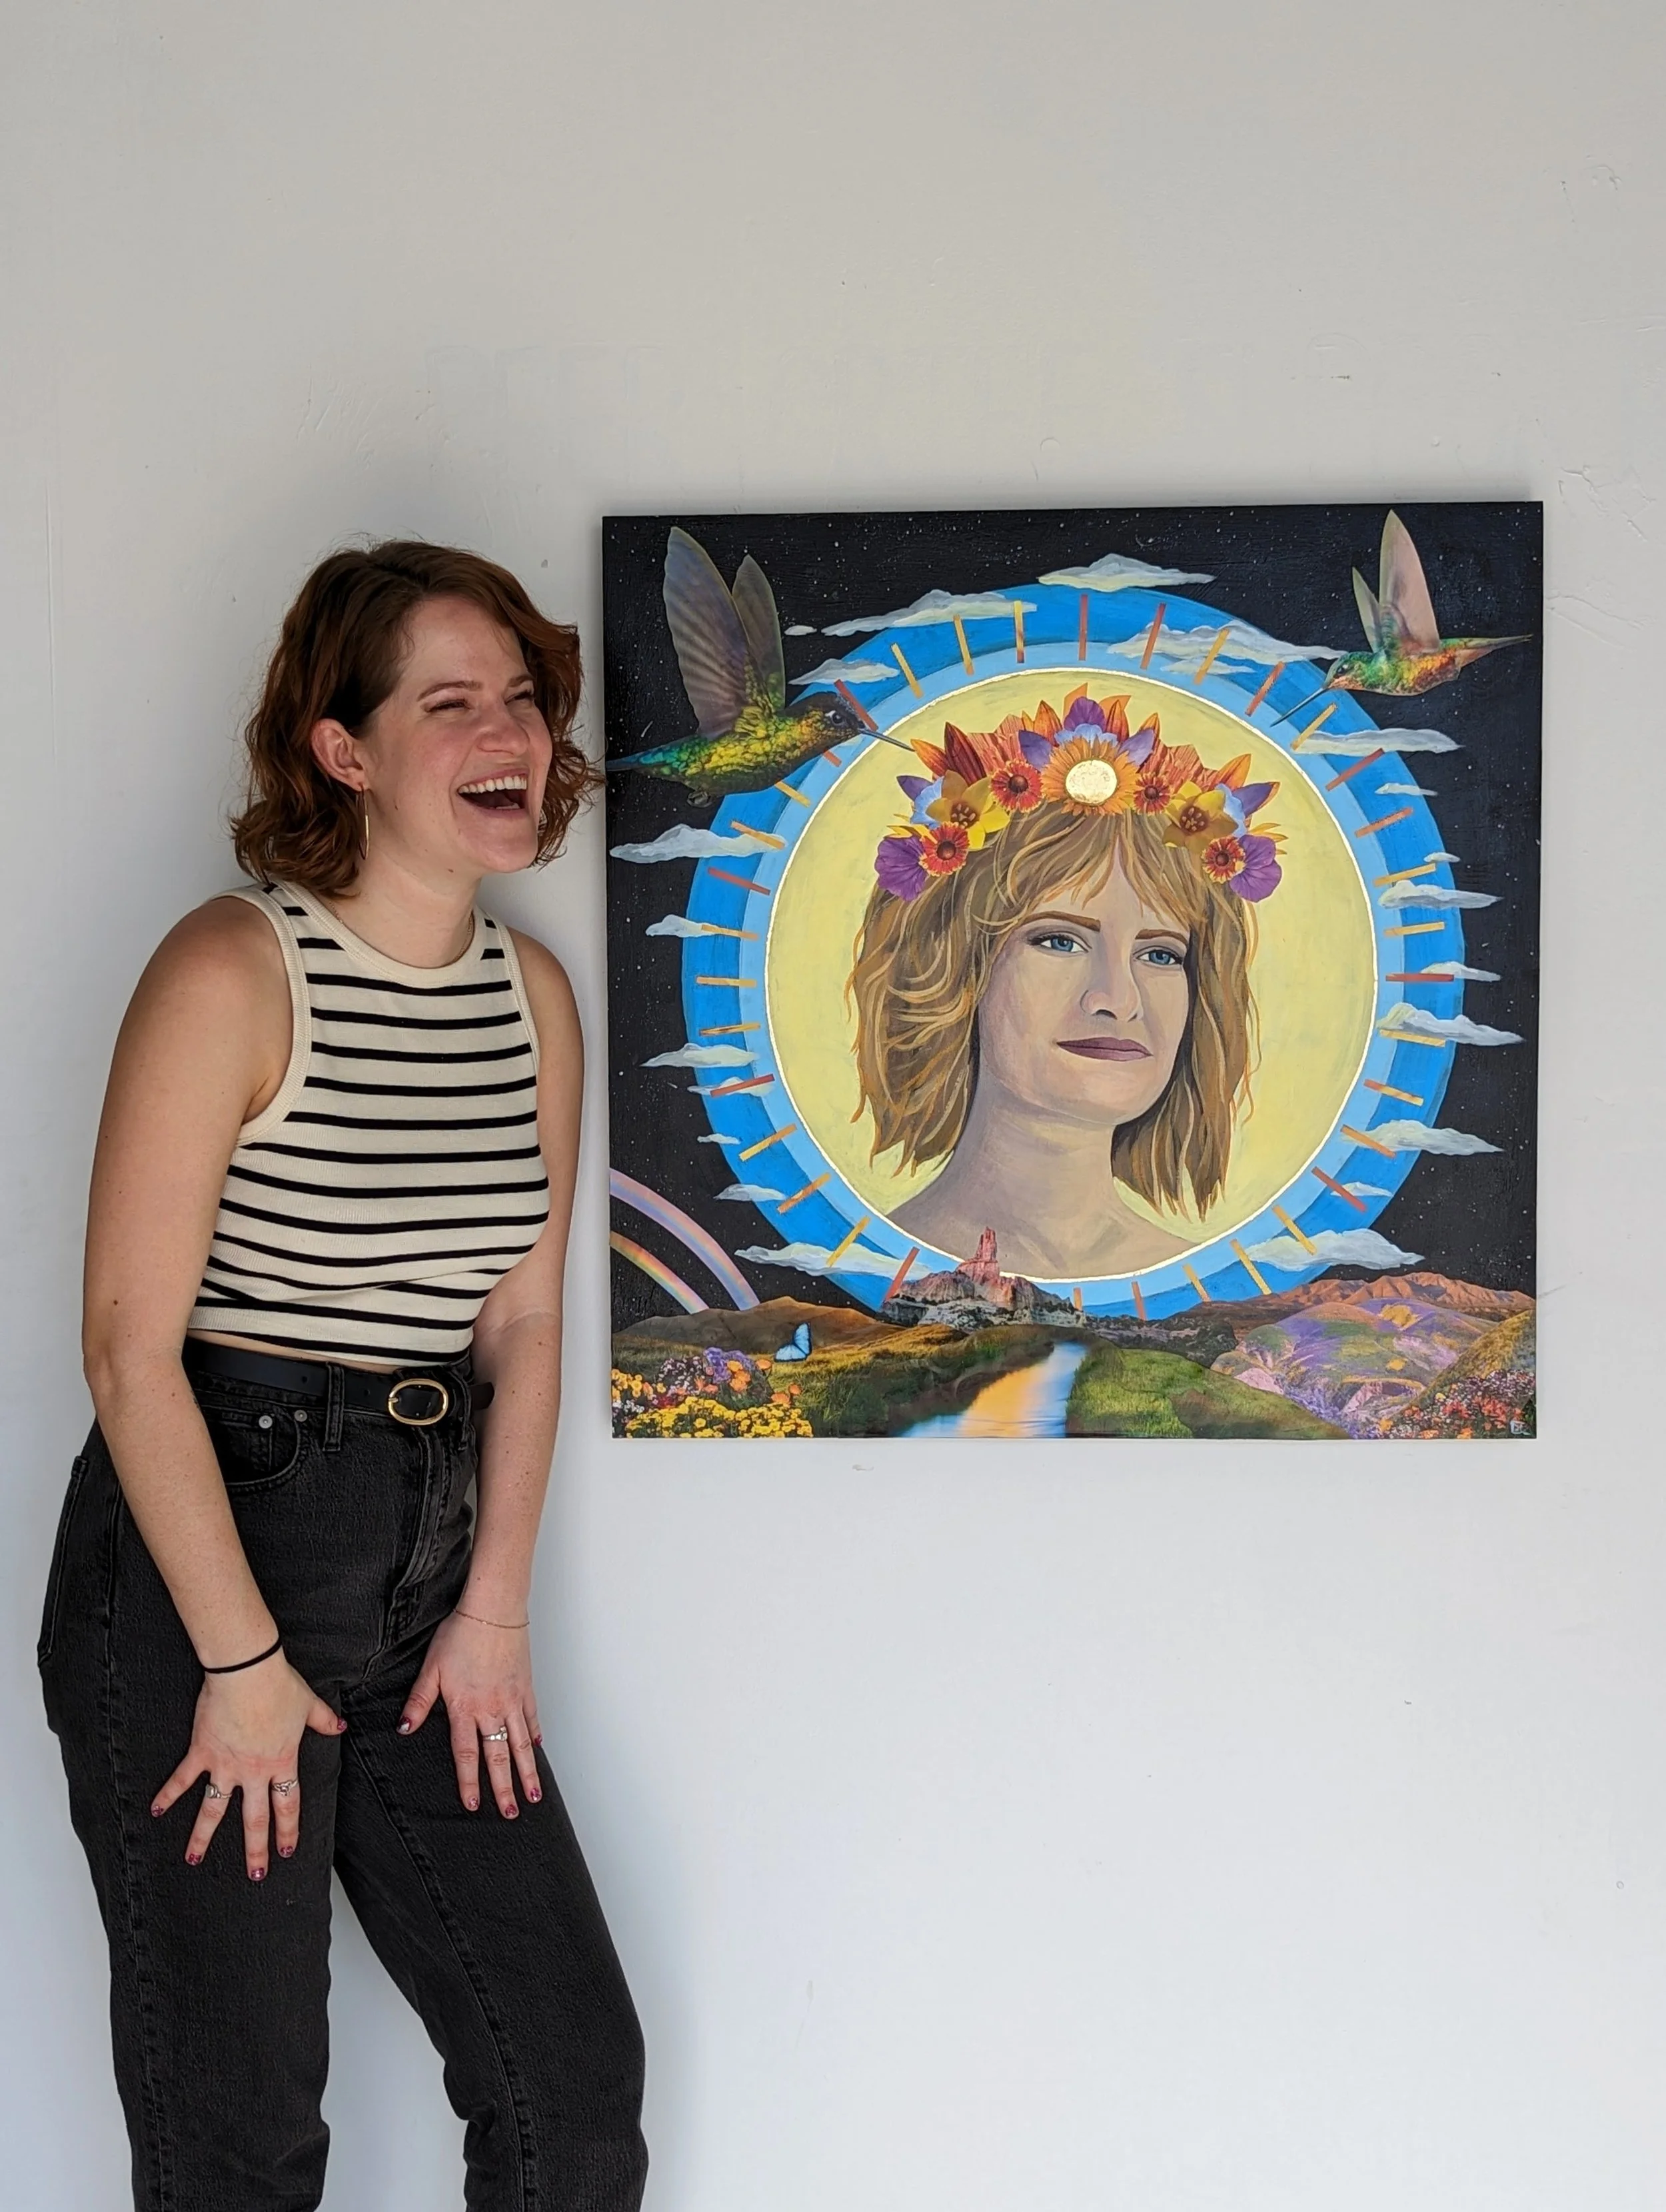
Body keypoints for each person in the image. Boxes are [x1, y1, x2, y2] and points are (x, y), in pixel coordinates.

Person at [37, 542, 649, 2211]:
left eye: (519, 695)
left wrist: (494, 1607)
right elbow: (126, 1348)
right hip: (208, 1563)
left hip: (430, 1563)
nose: (506, 731)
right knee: (241, 2135)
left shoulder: (532, 1000)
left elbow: (522, 1327)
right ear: (344, 749)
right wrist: (239, 1660)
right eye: (449, 702)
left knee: (569, 2087)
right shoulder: (235, 969)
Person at [847, 689, 1282, 1281]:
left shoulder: (1214, 1284)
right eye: (1058, 941)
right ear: (953, 967)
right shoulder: (865, 1268)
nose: (1118, 1000)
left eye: (1159, 954)